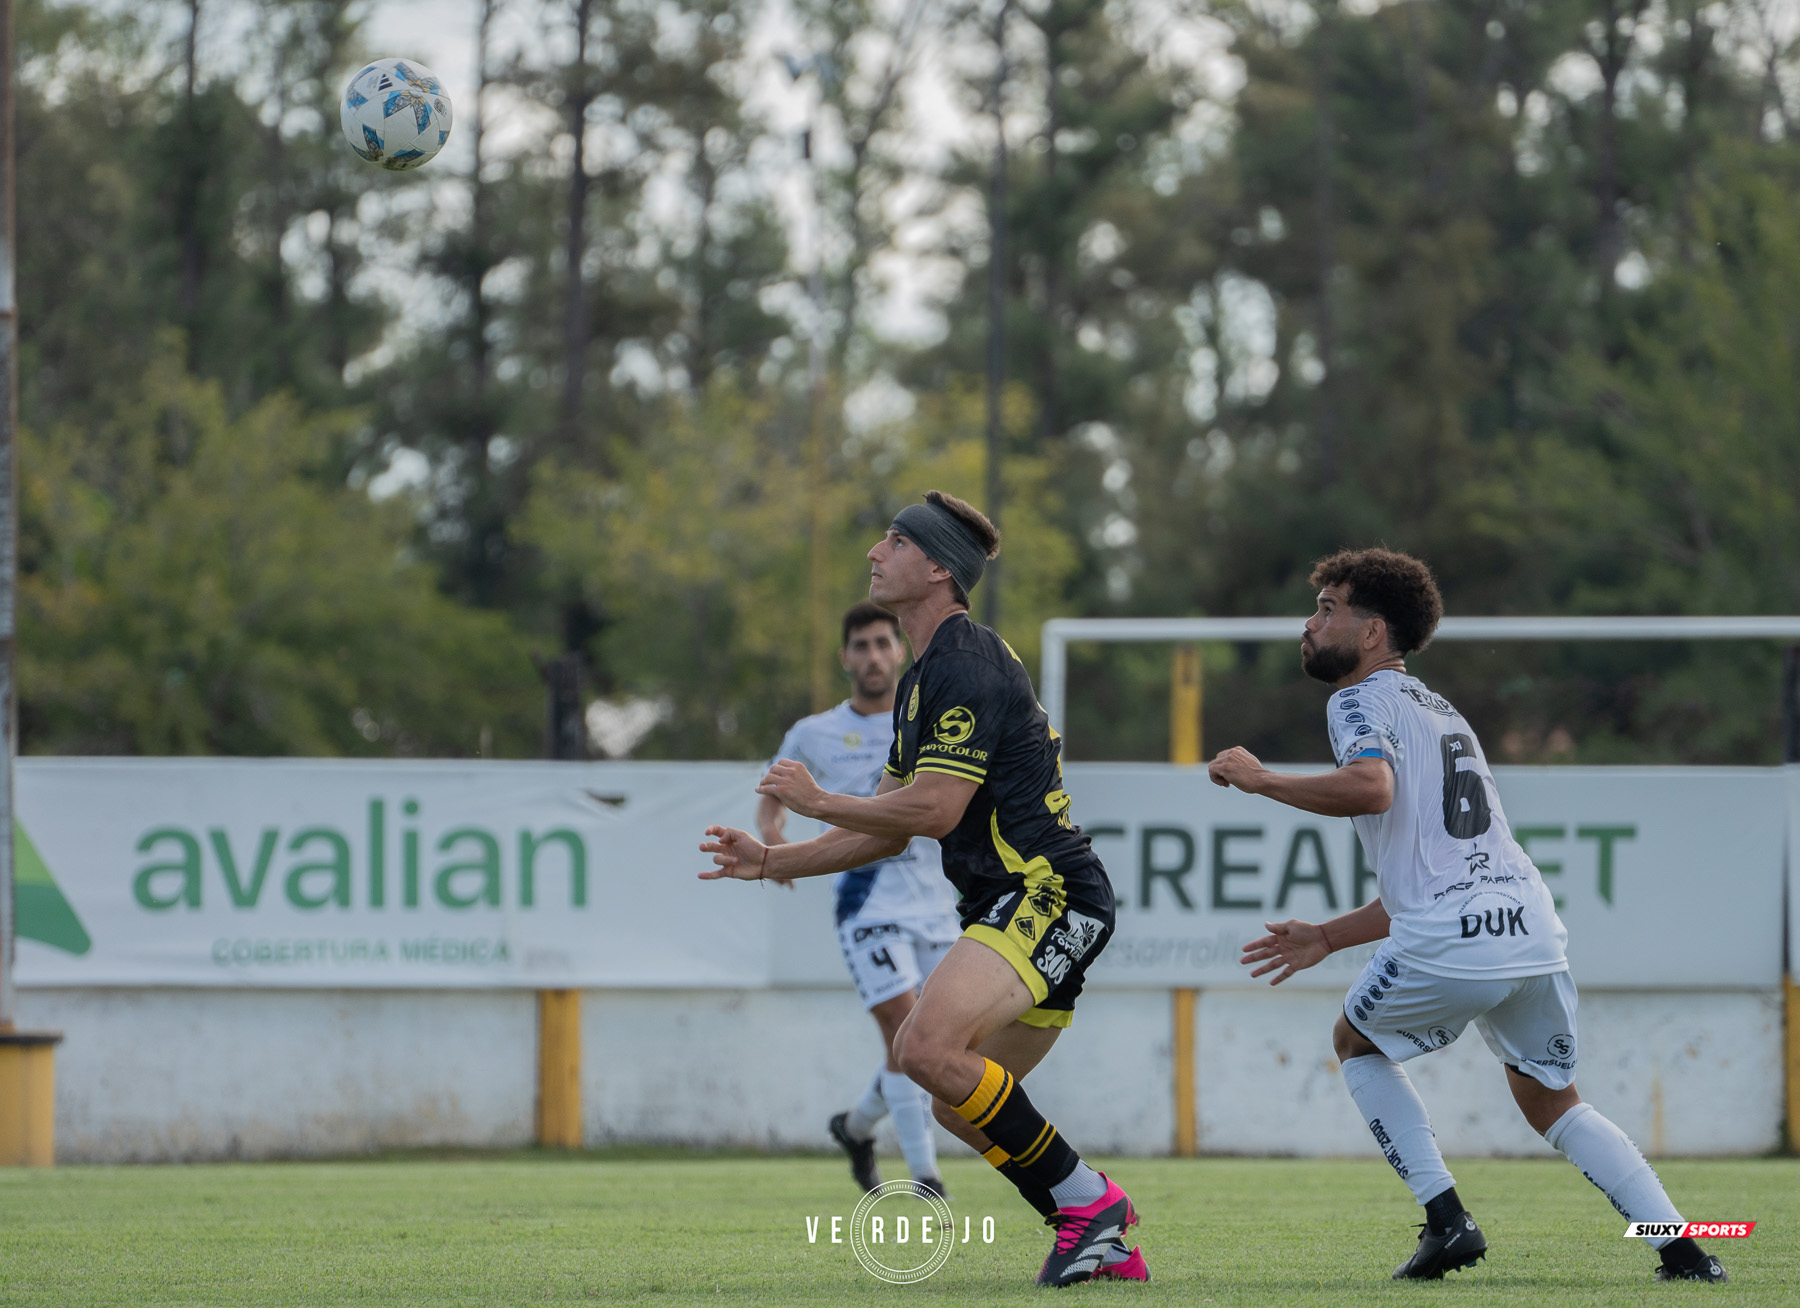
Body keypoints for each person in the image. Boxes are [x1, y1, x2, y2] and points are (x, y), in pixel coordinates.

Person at [1211, 547, 1727, 1284]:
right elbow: (1431, 876)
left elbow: (1370, 788)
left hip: (1456, 937)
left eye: (1328, 609)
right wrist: (1327, 936)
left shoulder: (1356, 700)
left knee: (1356, 1045)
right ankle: (1683, 1252)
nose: (1310, 622)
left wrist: (1261, 780)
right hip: (1531, 928)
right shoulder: (1439, 709)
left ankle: (1448, 1221)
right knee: (1554, 1102)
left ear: (1372, 634)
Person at [701, 491, 1149, 1287]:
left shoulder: (965, 664)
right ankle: (1096, 1230)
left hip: (1049, 892)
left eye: (896, 540)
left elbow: (934, 810)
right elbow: (887, 830)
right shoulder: (922, 680)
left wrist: (814, 799)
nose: (875, 552)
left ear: (939, 567)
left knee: (923, 1050)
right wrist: (772, 861)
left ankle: (1093, 1207)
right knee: (952, 1095)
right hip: (1017, 903)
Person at [757, 600, 961, 1199]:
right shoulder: (813, 732)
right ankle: (927, 1178)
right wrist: (772, 834)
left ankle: (855, 1127)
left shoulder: (927, 719)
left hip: (934, 902)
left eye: (882, 643)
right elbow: (770, 797)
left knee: (938, 1039)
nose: (873, 656)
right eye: (861, 646)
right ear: (845, 657)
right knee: (903, 1029)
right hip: (864, 903)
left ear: (899, 650)